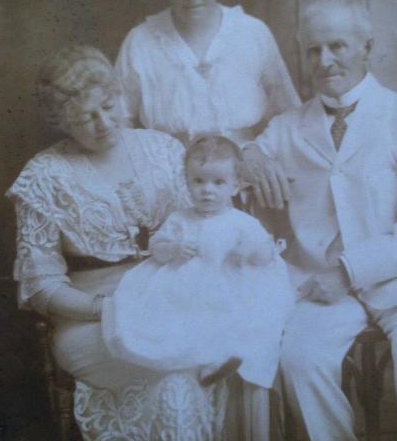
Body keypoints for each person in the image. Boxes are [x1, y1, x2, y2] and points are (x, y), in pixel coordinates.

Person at [243, 0, 397, 441]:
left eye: (337, 46)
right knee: (300, 359)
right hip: (324, 284)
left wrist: (349, 271)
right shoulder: (288, 126)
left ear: (367, 46)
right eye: (313, 50)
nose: (325, 61)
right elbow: (236, 164)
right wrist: (248, 156)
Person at [6, 46, 230, 440]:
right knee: (179, 372)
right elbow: (41, 285)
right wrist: (106, 308)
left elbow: (203, 229)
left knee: (231, 346)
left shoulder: (163, 149)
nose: (104, 123)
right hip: (92, 319)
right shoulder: (44, 176)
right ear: (62, 122)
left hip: (172, 305)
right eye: (85, 117)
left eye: (109, 106)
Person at [103, 135, 294, 390]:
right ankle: (191, 358)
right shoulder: (179, 219)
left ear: (235, 185)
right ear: (187, 182)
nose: (207, 189)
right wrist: (173, 249)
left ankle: (222, 358)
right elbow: (156, 248)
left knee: (239, 316)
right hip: (187, 285)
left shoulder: (242, 222)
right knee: (173, 315)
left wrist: (248, 251)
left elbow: (266, 254)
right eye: (199, 181)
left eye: (218, 182)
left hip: (229, 283)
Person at [115, 0, 300, 146]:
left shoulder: (252, 32)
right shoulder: (140, 41)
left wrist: (260, 152)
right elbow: (118, 117)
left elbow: (287, 111)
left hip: (244, 162)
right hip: (166, 165)